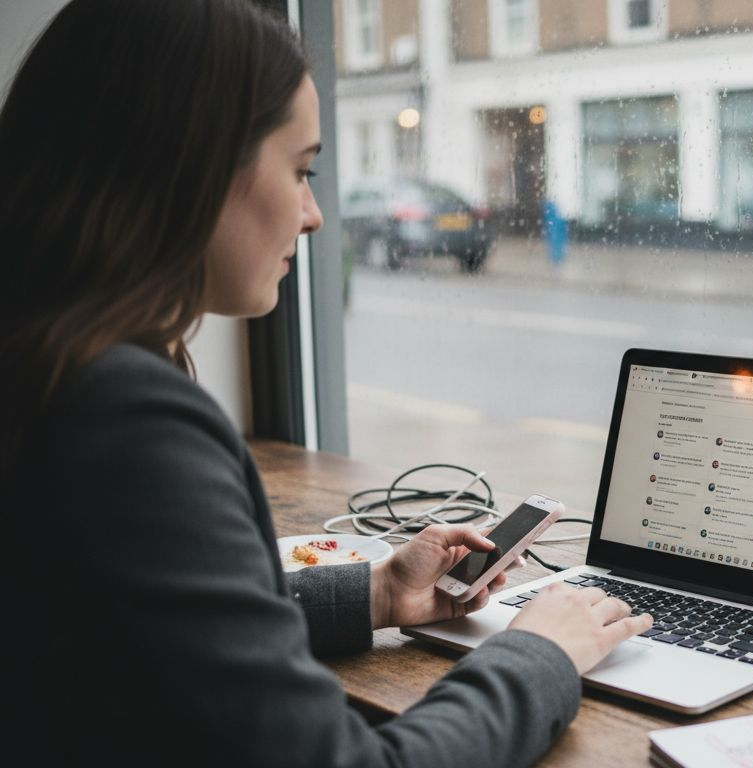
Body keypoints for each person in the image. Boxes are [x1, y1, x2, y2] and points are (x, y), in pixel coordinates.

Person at [0, 1, 651, 765]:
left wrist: (377, 594)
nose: (312, 215)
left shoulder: (42, 362)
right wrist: (539, 653)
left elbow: (124, 629)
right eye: (302, 170)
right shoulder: (125, 421)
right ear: (193, 163)